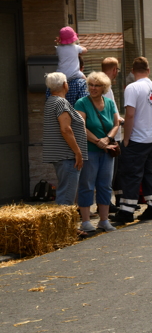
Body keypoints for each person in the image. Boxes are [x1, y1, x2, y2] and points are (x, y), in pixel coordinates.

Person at [113, 57, 152, 224]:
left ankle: (126, 211)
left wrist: (126, 138)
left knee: (131, 174)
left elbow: (130, 115)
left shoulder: (132, 88)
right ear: (148, 70)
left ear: (132, 71)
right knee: (149, 172)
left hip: (137, 140)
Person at [43, 72, 89, 236]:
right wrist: (77, 152)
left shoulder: (51, 101)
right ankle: (64, 231)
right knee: (67, 194)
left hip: (61, 155)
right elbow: (66, 129)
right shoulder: (61, 103)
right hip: (67, 155)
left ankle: (66, 228)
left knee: (65, 191)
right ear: (64, 85)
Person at [74, 72, 119, 234]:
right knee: (86, 185)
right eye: (91, 85)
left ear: (104, 88)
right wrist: (98, 142)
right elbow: (80, 126)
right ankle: (86, 221)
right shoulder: (81, 103)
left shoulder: (109, 103)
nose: (93, 88)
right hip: (89, 151)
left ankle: (104, 220)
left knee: (105, 185)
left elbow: (116, 124)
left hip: (108, 151)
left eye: (97, 85)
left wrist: (107, 139)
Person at [101, 57, 125, 212]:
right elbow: (109, 111)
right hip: (111, 136)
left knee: (115, 173)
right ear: (114, 70)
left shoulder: (104, 85)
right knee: (110, 172)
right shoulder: (106, 87)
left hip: (110, 135)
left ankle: (118, 201)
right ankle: (107, 204)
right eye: (117, 70)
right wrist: (120, 119)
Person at [54, 26, 89, 105]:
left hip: (61, 74)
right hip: (75, 73)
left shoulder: (58, 48)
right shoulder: (76, 48)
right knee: (86, 82)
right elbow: (85, 50)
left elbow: (58, 48)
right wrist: (80, 46)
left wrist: (59, 42)